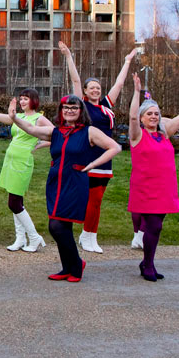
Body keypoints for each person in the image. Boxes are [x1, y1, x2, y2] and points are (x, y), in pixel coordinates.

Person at [8, 95, 121, 282]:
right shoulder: (56, 132)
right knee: (60, 226)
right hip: (55, 182)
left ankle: (76, 265)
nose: (69, 110)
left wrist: (93, 164)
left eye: (74, 107)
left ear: (80, 110)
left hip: (75, 182)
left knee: (57, 226)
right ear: (61, 111)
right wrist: (14, 117)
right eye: (65, 107)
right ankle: (67, 267)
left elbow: (114, 147)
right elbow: (31, 128)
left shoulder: (89, 131)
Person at [60, 42, 138, 253]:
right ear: (85, 91)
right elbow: (75, 79)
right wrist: (68, 56)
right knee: (91, 199)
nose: (96, 90)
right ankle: (86, 235)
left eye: (98, 87)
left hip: (106, 157)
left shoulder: (105, 106)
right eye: (91, 87)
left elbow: (119, 85)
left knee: (98, 200)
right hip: (88, 156)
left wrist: (127, 62)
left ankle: (89, 235)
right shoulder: (82, 105)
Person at [128, 75, 179, 281]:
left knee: (156, 226)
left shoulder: (164, 133)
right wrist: (136, 92)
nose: (153, 117)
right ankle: (148, 265)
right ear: (143, 117)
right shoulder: (137, 135)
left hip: (165, 188)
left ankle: (146, 262)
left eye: (156, 114)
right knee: (155, 226)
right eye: (149, 114)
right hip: (145, 188)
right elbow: (132, 118)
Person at [0, 88, 52, 252]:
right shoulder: (18, 117)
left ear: (33, 100)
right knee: (16, 201)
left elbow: (56, 134)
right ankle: (20, 238)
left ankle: (34, 237)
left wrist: (38, 146)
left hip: (22, 162)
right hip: (10, 160)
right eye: (21, 99)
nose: (22, 102)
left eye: (25, 99)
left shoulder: (39, 118)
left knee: (14, 203)